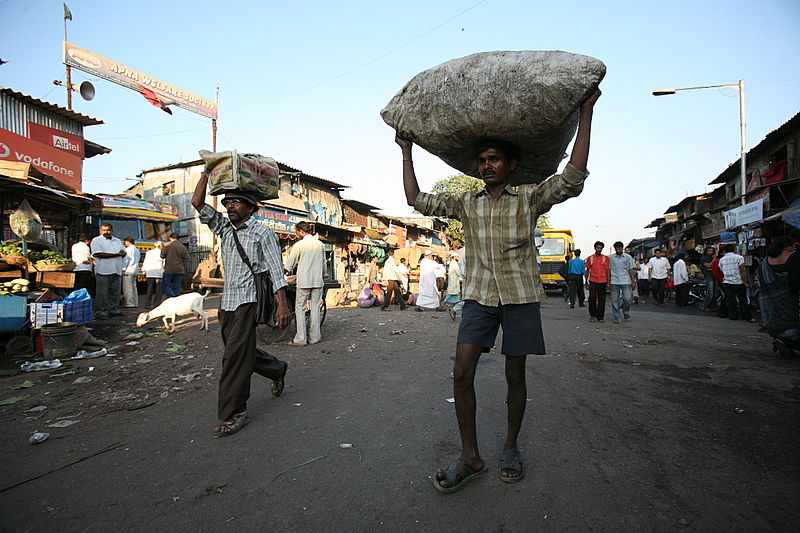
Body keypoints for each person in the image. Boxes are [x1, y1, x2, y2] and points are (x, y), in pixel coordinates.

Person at [398, 87, 600, 492]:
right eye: (483, 160)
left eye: (494, 159)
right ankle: (470, 457)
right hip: (479, 299)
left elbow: (572, 178)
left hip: (521, 297)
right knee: (461, 373)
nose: (487, 165)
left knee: (515, 374)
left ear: (511, 165)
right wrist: (406, 151)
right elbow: (417, 199)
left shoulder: (528, 198)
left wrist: (586, 114)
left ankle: (510, 447)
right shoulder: (467, 204)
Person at [192, 178, 291, 438]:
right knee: (239, 351)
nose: (229, 206)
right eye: (227, 202)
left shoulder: (262, 232)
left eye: (236, 201)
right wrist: (206, 172)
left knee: (233, 357)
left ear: (251, 207)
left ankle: (234, 412)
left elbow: (275, 269)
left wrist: (282, 304)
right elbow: (197, 203)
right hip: (228, 302)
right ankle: (276, 368)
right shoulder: (225, 228)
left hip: (249, 301)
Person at [284, 221, 325, 346]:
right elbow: (323, 265)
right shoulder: (320, 244)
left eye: (297, 232)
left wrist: (282, 273)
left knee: (300, 309)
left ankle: (301, 339)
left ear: (302, 231)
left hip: (304, 281)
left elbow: (290, 264)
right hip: (318, 280)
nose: (296, 235)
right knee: (315, 308)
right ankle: (315, 337)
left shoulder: (299, 245)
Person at [757, 236, 800, 347]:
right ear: (788, 246)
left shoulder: (767, 260)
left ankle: (780, 338)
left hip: (771, 294)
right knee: (792, 317)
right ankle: (788, 339)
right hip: (788, 293)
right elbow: (795, 278)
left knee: (777, 316)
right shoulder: (793, 257)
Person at [90, 223, 126, 320]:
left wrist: (122, 254)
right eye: (104, 230)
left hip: (116, 269)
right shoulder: (96, 240)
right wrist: (116, 255)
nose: (106, 232)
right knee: (102, 293)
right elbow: (97, 254)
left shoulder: (117, 241)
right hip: (103, 270)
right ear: (101, 231)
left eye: (108, 230)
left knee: (115, 292)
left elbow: (123, 252)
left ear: (111, 230)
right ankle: (100, 311)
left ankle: (113, 309)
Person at [718, 244, 753, 321]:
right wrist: (745, 282)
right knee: (742, 299)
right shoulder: (739, 258)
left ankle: (733, 316)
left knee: (731, 300)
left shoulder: (722, 259)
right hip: (738, 281)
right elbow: (742, 270)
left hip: (727, 281)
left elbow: (721, 270)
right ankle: (746, 316)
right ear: (734, 249)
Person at [609, 241, 636, 323]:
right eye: (616, 249)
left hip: (625, 280)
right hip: (614, 281)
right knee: (614, 301)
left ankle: (626, 312)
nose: (618, 251)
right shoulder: (611, 258)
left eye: (619, 249)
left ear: (622, 248)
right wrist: (608, 281)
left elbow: (630, 269)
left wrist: (633, 281)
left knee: (627, 299)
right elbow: (608, 270)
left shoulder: (628, 257)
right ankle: (617, 317)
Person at [584, 241, 609, 323]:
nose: (599, 249)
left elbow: (607, 270)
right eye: (598, 248)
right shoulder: (590, 258)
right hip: (593, 280)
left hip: (603, 281)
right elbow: (587, 270)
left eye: (600, 248)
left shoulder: (605, 258)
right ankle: (592, 315)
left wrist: (608, 282)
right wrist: (586, 282)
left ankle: (600, 317)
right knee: (592, 298)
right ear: (595, 248)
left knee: (602, 299)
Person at [161, 233, 189, 298]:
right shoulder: (183, 247)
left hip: (169, 269)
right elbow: (186, 259)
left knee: (166, 285)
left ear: (171, 238)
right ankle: (176, 298)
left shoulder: (168, 246)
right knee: (177, 285)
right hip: (180, 269)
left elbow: (162, 256)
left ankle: (172, 296)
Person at [142, 241, 165, 308]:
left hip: (150, 272)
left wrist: (144, 270)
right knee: (158, 290)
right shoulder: (162, 253)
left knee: (150, 288)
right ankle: (156, 304)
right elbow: (164, 263)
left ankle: (147, 304)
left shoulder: (149, 252)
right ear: (160, 246)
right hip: (159, 272)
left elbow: (145, 261)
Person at [121, 237, 140, 308]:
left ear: (128, 242)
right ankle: (135, 302)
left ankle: (129, 303)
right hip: (135, 270)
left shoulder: (128, 250)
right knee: (134, 287)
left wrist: (122, 269)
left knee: (127, 288)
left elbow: (126, 260)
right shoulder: (136, 249)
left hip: (128, 271)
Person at [699, 247, 716, 312]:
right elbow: (708, 266)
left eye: (711, 251)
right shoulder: (703, 258)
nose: (710, 252)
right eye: (709, 251)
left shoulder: (712, 257)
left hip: (714, 276)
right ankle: (704, 306)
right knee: (710, 293)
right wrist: (714, 259)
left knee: (715, 293)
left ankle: (711, 306)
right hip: (709, 276)